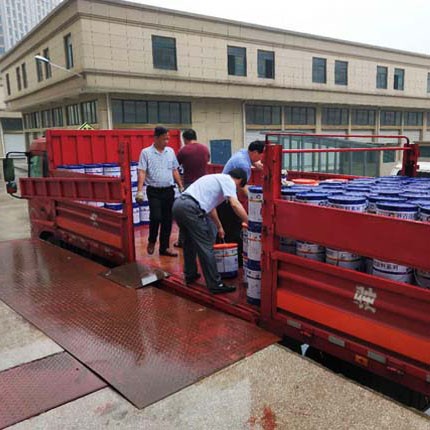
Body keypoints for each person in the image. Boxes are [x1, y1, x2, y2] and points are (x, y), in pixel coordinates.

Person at [172, 168, 248, 294]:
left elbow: (211, 208)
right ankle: (215, 284)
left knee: (189, 243)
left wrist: (219, 227)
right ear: (240, 180)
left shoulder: (215, 178)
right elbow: (235, 204)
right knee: (206, 246)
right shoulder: (228, 181)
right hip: (191, 208)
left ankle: (190, 274)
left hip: (179, 205)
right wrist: (249, 222)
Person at [136, 126, 184, 257]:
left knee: (167, 220)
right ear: (156, 138)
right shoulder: (146, 153)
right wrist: (139, 191)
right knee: (156, 217)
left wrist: (180, 185)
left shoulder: (170, 152)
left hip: (168, 190)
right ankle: (152, 240)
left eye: (168, 139)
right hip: (154, 191)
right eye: (164, 139)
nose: (166, 142)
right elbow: (142, 171)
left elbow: (174, 169)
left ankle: (164, 248)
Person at [217, 140, 265, 265]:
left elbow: (253, 161)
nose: (261, 159)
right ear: (255, 152)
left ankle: (222, 255)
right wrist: (258, 200)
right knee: (234, 228)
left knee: (225, 227)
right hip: (227, 198)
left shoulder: (243, 153)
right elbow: (241, 188)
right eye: (261, 155)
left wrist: (258, 165)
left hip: (222, 196)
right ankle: (233, 259)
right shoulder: (243, 164)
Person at [174, 129, 210, 248]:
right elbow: (207, 160)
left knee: (186, 212)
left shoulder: (184, 150)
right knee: (204, 210)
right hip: (204, 184)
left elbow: (175, 166)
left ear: (184, 139)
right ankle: (205, 237)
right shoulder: (205, 149)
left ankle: (182, 240)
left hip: (190, 184)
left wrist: (180, 183)